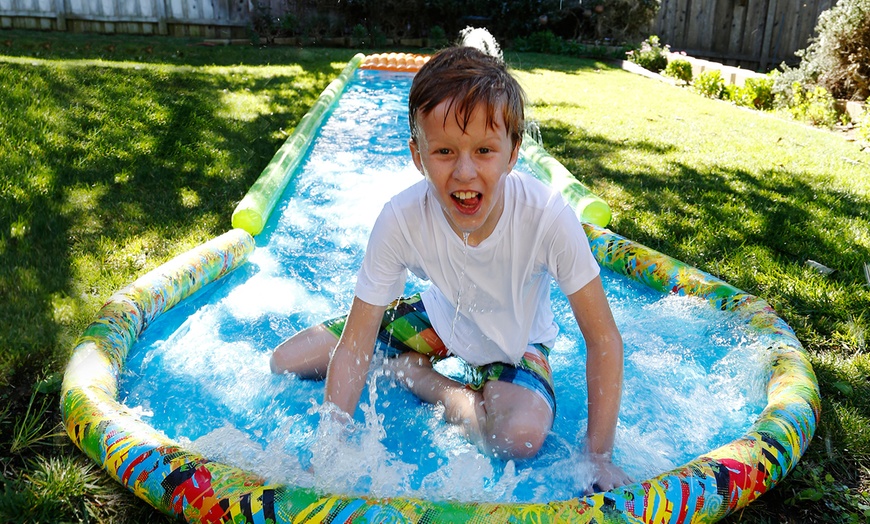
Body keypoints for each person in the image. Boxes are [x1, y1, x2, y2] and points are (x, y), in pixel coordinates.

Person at [270, 45, 630, 492]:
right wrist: (329, 452)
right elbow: (355, 342)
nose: (464, 172)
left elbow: (603, 339)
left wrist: (598, 457)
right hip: (440, 319)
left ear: (513, 152)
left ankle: (421, 378)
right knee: (285, 360)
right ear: (417, 156)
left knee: (518, 438)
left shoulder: (547, 216)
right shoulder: (401, 218)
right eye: (443, 151)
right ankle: (413, 361)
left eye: (483, 150)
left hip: (514, 344)